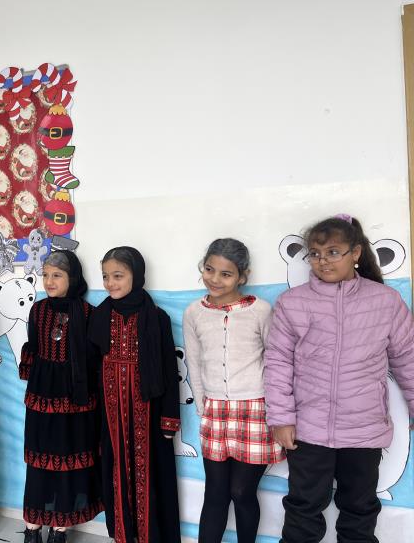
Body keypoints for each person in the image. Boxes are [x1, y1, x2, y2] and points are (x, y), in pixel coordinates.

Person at [266, 215, 414, 543]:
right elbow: (277, 363)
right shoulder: (292, 303)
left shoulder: (385, 302)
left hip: (364, 429)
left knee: (359, 510)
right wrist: (281, 418)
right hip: (308, 430)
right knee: (303, 509)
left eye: (333, 252)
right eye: (315, 254)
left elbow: (408, 358)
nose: (323, 261)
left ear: (355, 253)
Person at [183, 239, 283, 543]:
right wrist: (203, 406)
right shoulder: (194, 312)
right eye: (209, 269)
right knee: (215, 492)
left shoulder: (261, 311)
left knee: (241, 491)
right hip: (215, 411)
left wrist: (277, 411)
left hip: (255, 411)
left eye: (226, 274)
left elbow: (276, 360)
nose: (215, 279)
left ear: (242, 276)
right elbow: (194, 361)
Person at [89, 246, 181, 543]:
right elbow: (91, 369)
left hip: (150, 416)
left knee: (151, 477)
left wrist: (169, 418)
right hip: (111, 418)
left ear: (136, 275)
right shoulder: (99, 317)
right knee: (115, 473)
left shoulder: (157, 318)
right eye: (105, 276)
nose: (110, 283)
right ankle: (123, 536)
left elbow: (169, 370)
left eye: (118, 276)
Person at [19, 250, 103, 543]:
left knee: (69, 462)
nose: (49, 281)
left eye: (57, 275)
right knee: (39, 461)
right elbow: (33, 346)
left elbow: (93, 359)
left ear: (73, 278)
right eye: (45, 275)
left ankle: (60, 529)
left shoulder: (89, 313)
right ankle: (32, 527)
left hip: (76, 399)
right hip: (42, 396)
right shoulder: (38, 310)